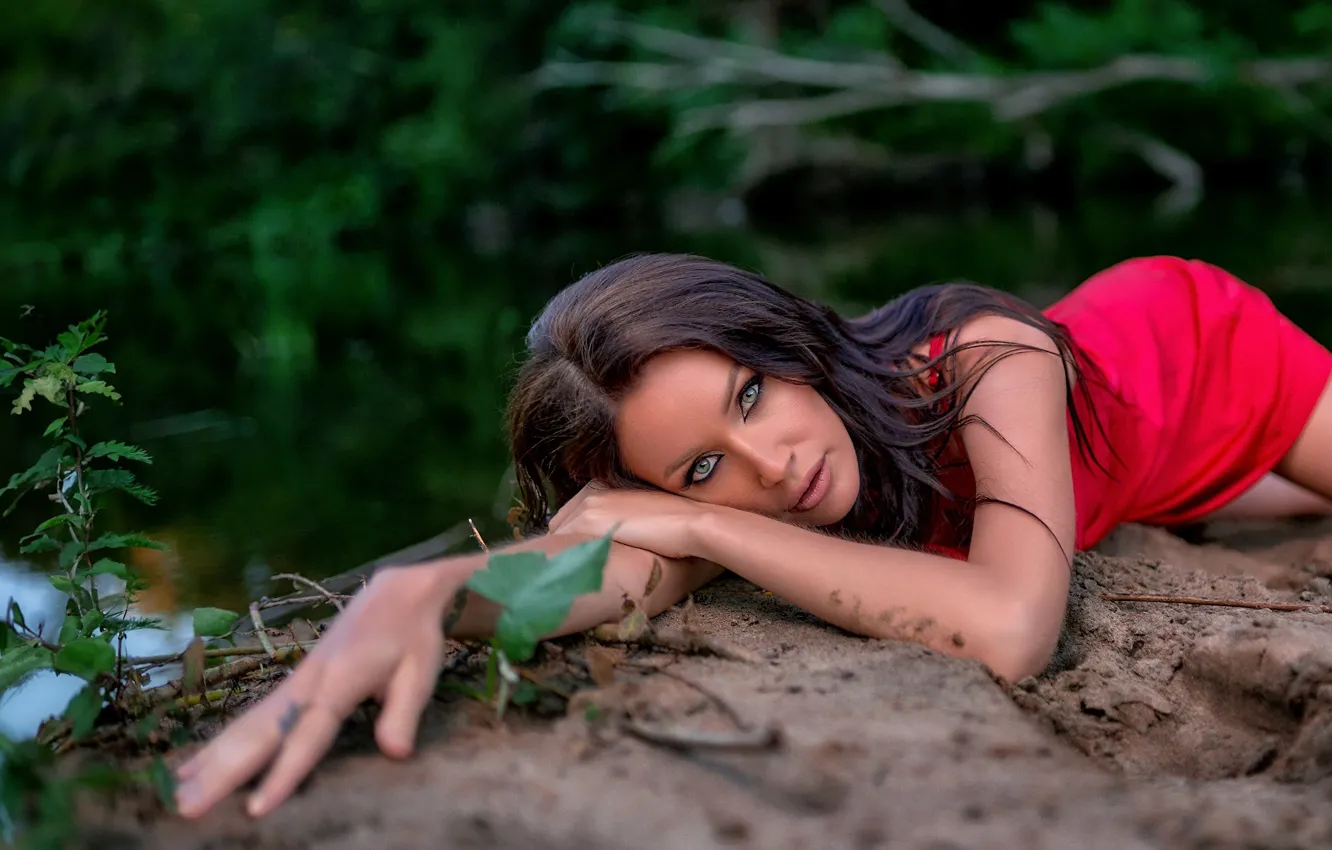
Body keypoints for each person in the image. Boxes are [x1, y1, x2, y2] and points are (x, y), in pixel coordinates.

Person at [172, 254, 1332, 819]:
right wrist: (434, 596)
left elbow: (1014, 626)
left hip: (1208, 362)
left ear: (780, 341)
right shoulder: (744, 504)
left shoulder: (985, 352)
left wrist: (687, 512)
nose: (775, 464)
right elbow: (609, 573)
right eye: (703, 465)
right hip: (1129, 476)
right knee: (1213, 500)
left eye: (748, 395)